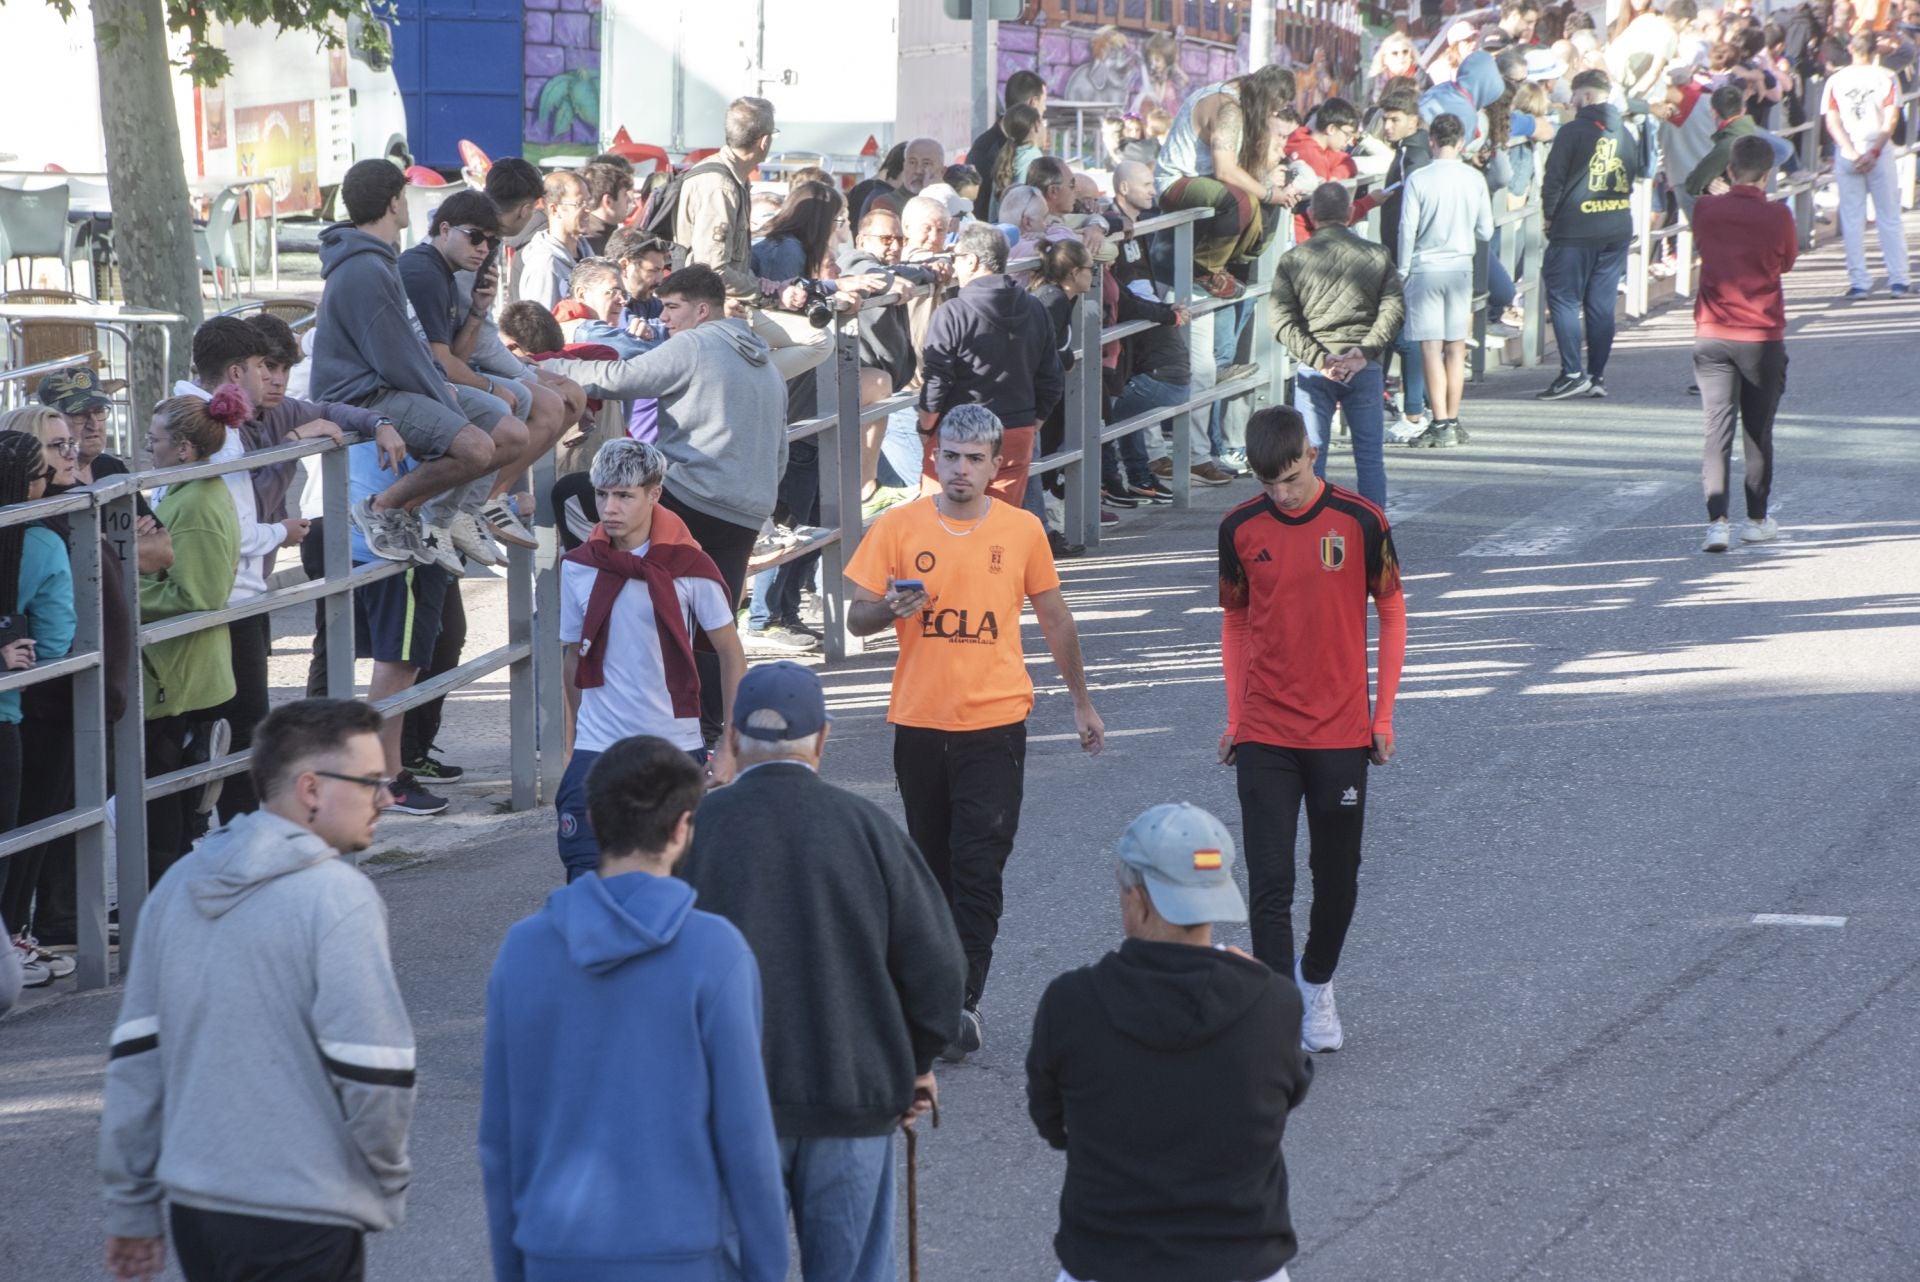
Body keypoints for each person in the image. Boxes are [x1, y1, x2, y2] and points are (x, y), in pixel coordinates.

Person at [100, 698, 416, 1282]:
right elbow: (375, 1073)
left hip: (198, 1210)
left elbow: (137, 1057)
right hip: (304, 1213)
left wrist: (132, 1204)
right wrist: (387, 1181)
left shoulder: (180, 884)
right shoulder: (338, 899)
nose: (388, 799)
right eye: (372, 782)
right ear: (312, 789)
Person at [680, 661, 965, 1282]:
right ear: (824, 739)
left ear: (731, 740)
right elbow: (939, 967)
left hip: (729, 1104)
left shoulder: (695, 834)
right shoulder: (868, 830)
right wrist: (916, 1062)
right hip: (852, 1092)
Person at [845, 403, 1106, 1060]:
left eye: (973, 459)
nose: (959, 469)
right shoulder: (897, 527)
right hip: (919, 723)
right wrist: (889, 607)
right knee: (931, 871)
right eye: (950, 456)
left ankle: (957, 1002)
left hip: (994, 724)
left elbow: (1055, 621)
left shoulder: (1021, 531)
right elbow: (856, 618)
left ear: (996, 465)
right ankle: (935, 994)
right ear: (935, 459)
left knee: (979, 866)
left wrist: (1081, 703)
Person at [480, 735, 787, 1282]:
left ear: (594, 820)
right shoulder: (715, 952)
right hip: (682, 1252)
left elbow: (501, 1138)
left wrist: (514, 1265)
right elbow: (747, 1138)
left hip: (554, 1250)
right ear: (682, 828)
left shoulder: (523, 949)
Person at [1027, 803, 1313, 1282]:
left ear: (1138, 898)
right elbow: (1290, 1093)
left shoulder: (1070, 1003)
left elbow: (1053, 1124)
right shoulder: (1274, 1002)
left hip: (1107, 1259)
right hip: (1244, 1261)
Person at [1219, 407, 1405, 1053]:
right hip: (1266, 730)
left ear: (1312, 453)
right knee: (1271, 882)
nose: (1283, 494)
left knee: (1338, 878)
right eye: (1270, 484)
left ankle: (1316, 982)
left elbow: (1392, 609)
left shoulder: (1360, 521)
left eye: (1292, 478)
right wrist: (1236, 718)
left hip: (1340, 731)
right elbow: (1236, 621)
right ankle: (1276, 1012)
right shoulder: (1239, 527)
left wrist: (1381, 716)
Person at [536, 265, 787, 743]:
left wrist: (543, 368)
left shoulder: (695, 344)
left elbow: (622, 376)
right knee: (715, 621)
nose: (665, 319)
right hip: (748, 509)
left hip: (693, 496)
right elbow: (780, 452)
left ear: (702, 309)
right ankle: (709, 733)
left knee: (572, 494)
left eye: (672, 308)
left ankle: (595, 589)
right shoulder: (769, 367)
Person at [556, 440, 743, 881]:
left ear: (654, 494)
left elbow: (732, 655)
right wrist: (570, 744)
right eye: (602, 493)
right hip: (596, 748)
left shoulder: (688, 565)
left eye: (624, 495)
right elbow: (571, 657)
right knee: (586, 877)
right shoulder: (580, 565)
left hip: (672, 746)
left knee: (679, 883)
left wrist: (730, 747)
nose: (609, 506)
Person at [311, 159, 496, 572]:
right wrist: (441, 395)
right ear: (395, 203)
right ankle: (381, 508)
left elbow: (407, 344)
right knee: (476, 447)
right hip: (363, 392)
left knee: (504, 426)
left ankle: (419, 514)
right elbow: (394, 355)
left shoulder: (378, 259)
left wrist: (440, 386)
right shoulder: (364, 267)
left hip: (388, 384)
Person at [397, 189, 543, 564]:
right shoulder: (423, 271)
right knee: (507, 413)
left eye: (492, 241)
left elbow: (454, 357)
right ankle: (439, 516)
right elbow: (441, 362)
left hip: (427, 379)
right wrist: (492, 386)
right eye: (474, 236)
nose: (483, 248)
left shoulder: (447, 272)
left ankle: (463, 513)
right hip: (400, 388)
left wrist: (478, 311)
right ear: (444, 229)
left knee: (522, 399)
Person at [139, 391, 244, 886]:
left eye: (154, 440)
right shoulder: (188, 491)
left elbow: (197, 597)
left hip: (179, 675)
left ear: (183, 448)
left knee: (166, 810)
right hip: (179, 672)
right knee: (168, 807)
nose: (147, 447)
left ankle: (167, 897)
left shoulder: (197, 501)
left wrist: (120, 588)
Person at [672, 96, 832, 380]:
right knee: (819, 341)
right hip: (709, 306)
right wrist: (767, 292)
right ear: (765, 141)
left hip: (722, 300)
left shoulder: (730, 176)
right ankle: (747, 382)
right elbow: (712, 269)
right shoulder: (721, 185)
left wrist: (765, 286)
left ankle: (746, 381)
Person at [1267, 184, 1405, 508]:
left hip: (1315, 370)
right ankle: (1375, 531)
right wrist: (1366, 350)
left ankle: (1313, 528)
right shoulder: (1377, 254)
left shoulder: (1293, 259)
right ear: (1349, 213)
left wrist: (1318, 358)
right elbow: (1394, 309)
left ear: (1312, 215)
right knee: (1369, 458)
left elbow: (1280, 320)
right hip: (1364, 367)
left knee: (1311, 459)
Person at [1693, 135, 1797, 553]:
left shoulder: (1706, 209)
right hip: (1761, 334)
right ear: (1768, 174)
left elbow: (1701, 233)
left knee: (1715, 431)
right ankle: (1756, 519)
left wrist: (1717, 191)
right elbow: (1786, 262)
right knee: (1757, 431)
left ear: (1730, 170)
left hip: (1712, 332)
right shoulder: (1779, 215)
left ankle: (1716, 523)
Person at [0, 429, 76, 986]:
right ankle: (9, 949)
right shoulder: (41, 544)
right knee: (9, 838)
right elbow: (53, 644)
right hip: (6, 710)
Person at [916, 223, 1064, 507]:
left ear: (971, 260)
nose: (954, 267)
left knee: (942, 523)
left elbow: (937, 379)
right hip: (1016, 430)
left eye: (955, 258)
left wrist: (926, 427)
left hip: (957, 436)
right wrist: (1031, 425)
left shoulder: (952, 313)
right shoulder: (1035, 308)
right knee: (999, 526)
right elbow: (1052, 379)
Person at [1535, 69, 1644, 400]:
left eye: (1574, 95)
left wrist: (1550, 216)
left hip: (1576, 227)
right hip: (1616, 225)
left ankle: (1571, 373)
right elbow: (1634, 172)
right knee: (1601, 303)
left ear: (1586, 96)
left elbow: (1554, 179)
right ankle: (1596, 374)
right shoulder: (1625, 133)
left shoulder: (1572, 131)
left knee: (1565, 298)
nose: (1570, 101)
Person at [1154, 66, 1301, 298]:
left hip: (1202, 181)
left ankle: (1224, 263)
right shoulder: (1229, 108)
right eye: (1275, 109)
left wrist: (1276, 191)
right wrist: (1270, 194)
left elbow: (1248, 166)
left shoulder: (1239, 101)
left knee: (1254, 204)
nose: (1273, 115)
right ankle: (1205, 269)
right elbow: (1226, 170)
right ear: (1269, 98)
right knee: (1239, 200)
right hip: (1177, 182)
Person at [1398, 111, 1493, 449]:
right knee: (1456, 346)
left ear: (1432, 141)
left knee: (1430, 347)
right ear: (1462, 142)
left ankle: (1438, 421)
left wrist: (1402, 269)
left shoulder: (1419, 179)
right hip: (1460, 267)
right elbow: (1486, 229)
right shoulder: (1474, 179)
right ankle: (1452, 418)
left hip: (1425, 266)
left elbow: (1407, 229)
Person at [1822, 31, 1912, 297]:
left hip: (1847, 150)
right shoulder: (1885, 77)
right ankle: (1898, 279)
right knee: (1888, 215)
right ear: (1875, 51)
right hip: (1878, 149)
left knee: (1851, 217)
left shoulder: (1836, 80)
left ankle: (1859, 281)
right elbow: (1891, 119)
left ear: (1851, 49)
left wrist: (1849, 150)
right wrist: (1874, 151)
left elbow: (1832, 120)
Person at [971, 70, 1050, 220]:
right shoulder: (991, 149)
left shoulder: (990, 144)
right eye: (1044, 102)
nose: (1045, 109)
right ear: (1033, 103)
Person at [515, 169, 592, 310]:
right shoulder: (545, 264)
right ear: (554, 209)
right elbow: (539, 325)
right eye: (579, 203)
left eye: (588, 201)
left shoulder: (587, 253)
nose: (588, 209)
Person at [578, 160, 637, 256]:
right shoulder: (586, 243)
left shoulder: (587, 238)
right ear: (608, 201)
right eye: (624, 194)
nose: (629, 200)